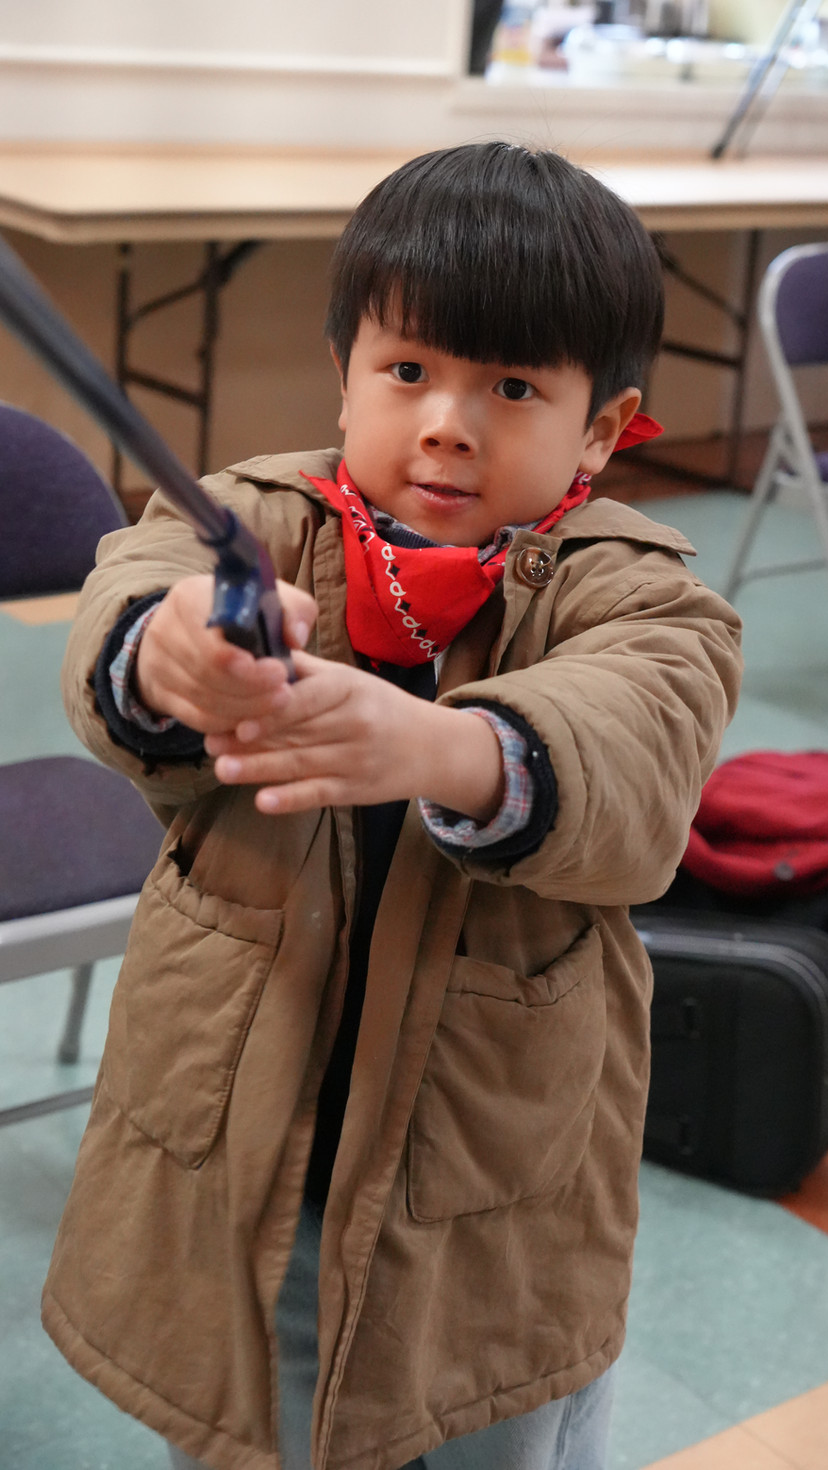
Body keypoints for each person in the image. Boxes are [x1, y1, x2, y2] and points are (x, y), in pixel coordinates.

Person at [43, 142, 742, 1470]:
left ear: (604, 426)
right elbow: (130, 597)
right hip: (237, 1141)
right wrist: (167, 651)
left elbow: (638, 744)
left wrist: (446, 748)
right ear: (345, 369)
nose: (447, 423)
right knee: (240, 1418)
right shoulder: (254, 519)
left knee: (480, 1412)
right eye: (408, 369)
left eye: (514, 387)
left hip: (480, 1187)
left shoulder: (642, 593)